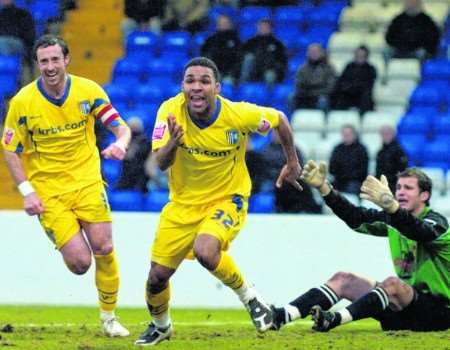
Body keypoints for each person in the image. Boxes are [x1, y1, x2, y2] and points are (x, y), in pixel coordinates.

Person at [134, 57, 302, 346]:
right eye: (190, 81)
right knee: (157, 278)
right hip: (182, 205)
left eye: (204, 81)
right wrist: (173, 141)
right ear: (182, 86)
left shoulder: (239, 115)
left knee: (206, 250)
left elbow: (280, 120)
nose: (196, 87)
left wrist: (292, 162)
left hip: (228, 198)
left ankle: (251, 298)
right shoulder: (170, 111)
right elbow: (161, 163)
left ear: (217, 88)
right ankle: (161, 326)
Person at [1, 35, 131, 337]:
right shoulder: (23, 102)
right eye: (43, 61)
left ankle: (109, 318)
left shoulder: (88, 90)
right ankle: (60, 233)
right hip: (49, 192)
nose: (49, 66)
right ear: (37, 64)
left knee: (105, 246)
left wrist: (121, 143)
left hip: (87, 181)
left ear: (66, 60)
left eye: (55, 59)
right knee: (80, 263)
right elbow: (10, 149)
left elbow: (120, 126)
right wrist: (26, 191)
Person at [271, 163, 450, 332]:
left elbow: (420, 232)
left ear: (424, 196)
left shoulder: (437, 222)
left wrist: (391, 207)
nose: (401, 192)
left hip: (439, 314)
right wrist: (325, 189)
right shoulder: (393, 219)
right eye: (398, 188)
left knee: (393, 284)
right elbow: (355, 216)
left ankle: (334, 319)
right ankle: (280, 316)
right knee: (344, 279)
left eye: (408, 188)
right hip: (404, 313)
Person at [261, 132, 322, 213]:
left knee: (302, 183)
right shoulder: (267, 150)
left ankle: (310, 207)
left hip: (291, 176)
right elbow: (265, 168)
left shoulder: (294, 149)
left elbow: (300, 165)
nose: (276, 136)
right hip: (275, 177)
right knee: (284, 185)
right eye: (274, 134)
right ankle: (287, 209)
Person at [330, 45, 377, 115]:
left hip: (362, 95)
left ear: (366, 56)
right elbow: (342, 81)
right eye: (358, 55)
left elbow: (368, 85)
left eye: (362, 55)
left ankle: (362, 118)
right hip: (348, 94)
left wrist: (354, 86)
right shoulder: (349, 67)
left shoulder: (371, 69)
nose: (359, 57)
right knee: (337, 95)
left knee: (366, 97)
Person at [240, 19, 287, 85]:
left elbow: (282, 61)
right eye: (261, 27)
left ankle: (270, 94)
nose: (263, 29)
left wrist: (273, 68)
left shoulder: (277, 44)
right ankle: (242, 87)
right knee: (248, 58)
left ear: (271, 29)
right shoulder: (250, 42)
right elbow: (242, 57)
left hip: (270, 70)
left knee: (269, 75)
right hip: (254, 70)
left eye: (266, 27)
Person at [291, 43, 336, 111]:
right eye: (311, 52)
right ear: (308, 53)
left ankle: (323, 119)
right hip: (306, 95)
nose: (314, 54)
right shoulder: (302, 68)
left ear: (322, 53)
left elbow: (330, 86)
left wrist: (314, 91)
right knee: (292, 98)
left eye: (316, 52)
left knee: (323, 100)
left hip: (322, 95)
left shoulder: (329, 68)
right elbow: (299, 84)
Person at [201, 14, 242, 85]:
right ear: (217, 25)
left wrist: (233, 73)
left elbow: (239, 57)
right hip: (215, 71)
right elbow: (204, 55)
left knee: (228, 83)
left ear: (230, 25)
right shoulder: (211, 39)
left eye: (226, 23)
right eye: (221, 23)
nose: (223, 25)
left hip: (230, 72)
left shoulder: (235, 39)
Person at [329, 124, 368, 195]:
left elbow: (363, 171)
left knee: (352, 187)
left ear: (354, 134)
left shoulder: (361, 149)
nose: (346, 136)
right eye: (344, 134)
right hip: (339, 180)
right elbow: (332, 168)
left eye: (349, 134)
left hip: (355, 181)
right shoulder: (337, 149)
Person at [114, 116, 150, 192]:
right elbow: (127, 158)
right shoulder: (123, 143)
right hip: (126, 178)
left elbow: (149, 167)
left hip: (142, 179)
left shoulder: (146, 144)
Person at [375, 125, 408, 193]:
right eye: (383, 134)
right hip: (382, 184)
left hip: (395, 185)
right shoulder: (380, 152)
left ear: (393, 134)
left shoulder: (399, 151)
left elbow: (403, 171)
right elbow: (378, 172)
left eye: (388, 133)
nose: (385, 136)